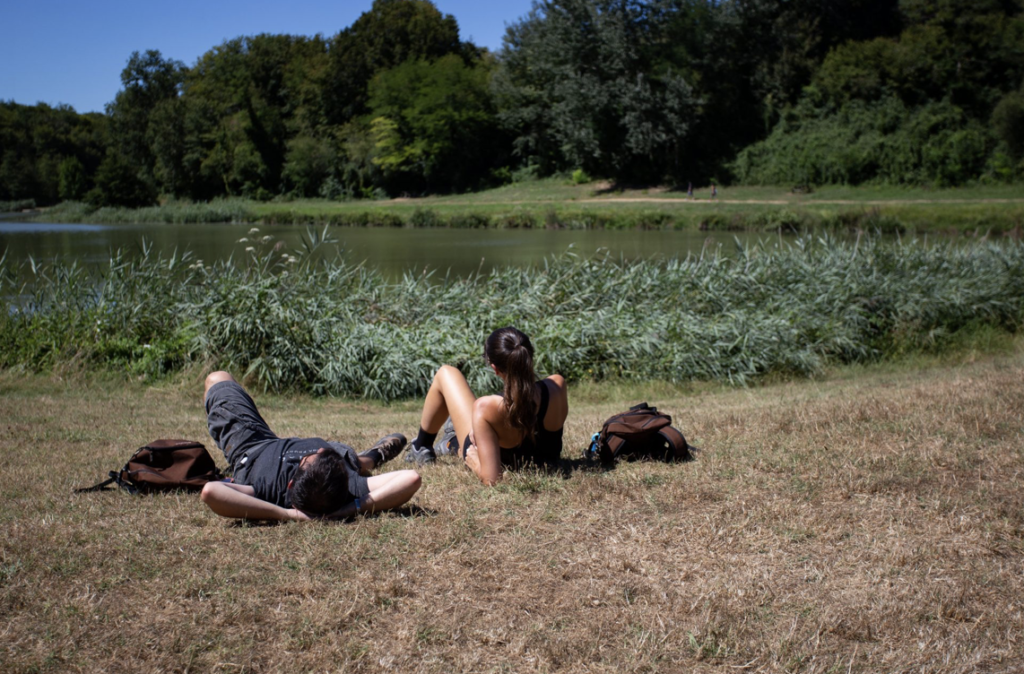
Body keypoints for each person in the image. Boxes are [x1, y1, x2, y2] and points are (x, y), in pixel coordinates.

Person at [200, 371, 421, 521]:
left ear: (292, 481)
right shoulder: (349, 486)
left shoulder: (267, 489)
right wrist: (351, 508)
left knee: (217, 378)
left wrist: (286, 515)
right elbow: (411, 479)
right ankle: (371, 458)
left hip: (255, 446)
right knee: (344, 456)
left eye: (310, 458)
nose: (319, 450)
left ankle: (362, 460)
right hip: (341, 457)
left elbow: (211, 492)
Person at [404, 327, 568, 486]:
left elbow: (492, 480)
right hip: (544, 461)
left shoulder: (486, 407)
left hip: (491, 452)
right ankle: (451, 440)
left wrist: (475, 462)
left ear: (494, 369)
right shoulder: (557, 386)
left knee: (446, 373)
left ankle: (422, 446)